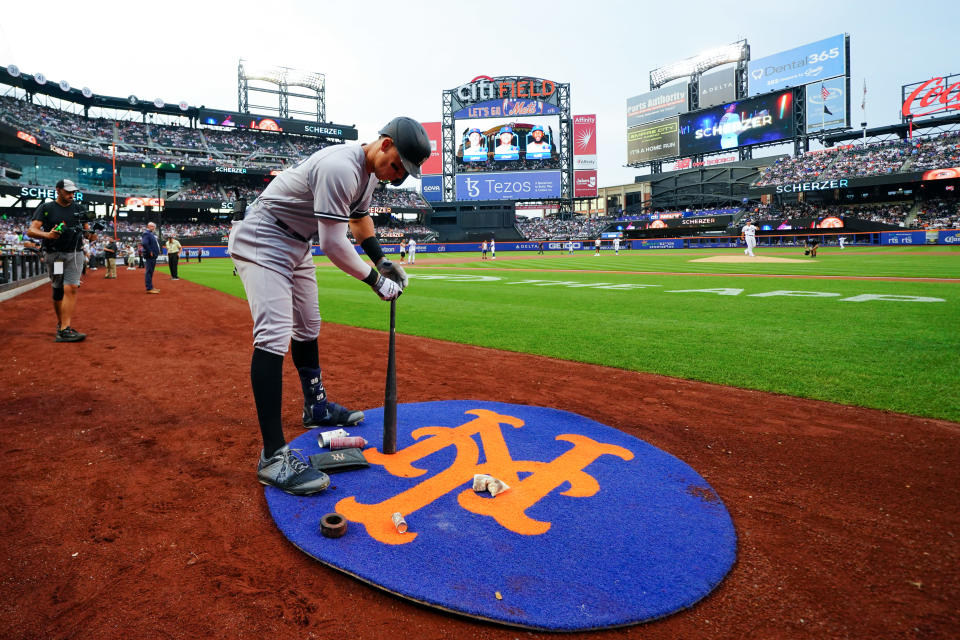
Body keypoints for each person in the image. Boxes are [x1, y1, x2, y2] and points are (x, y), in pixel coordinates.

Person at [228, 115, 429, 496]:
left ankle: (315, 408)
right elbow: (335, 245)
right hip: (264, 233)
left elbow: (359, 218)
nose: (397, 176)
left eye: (404, 173)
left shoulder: (368, 175)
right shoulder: (341, 166)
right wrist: (375, 281)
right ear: (385, 144)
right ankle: (273, 457)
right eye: (398, 166)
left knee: (308, 326)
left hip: (295, 241)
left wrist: (381, 260)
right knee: (273, 333)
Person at [26, 178, 97, 342]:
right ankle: (61, 324)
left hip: (75, 254)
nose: (71, 194)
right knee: (58, 289)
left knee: (71, 286)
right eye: (68, 192)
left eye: (73, 192)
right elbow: (31, 231)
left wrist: (93, 232)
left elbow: (89, 235)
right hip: (55, 255)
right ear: (58, 190)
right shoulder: (46, 208)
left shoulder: (80, 209)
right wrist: (48, 235)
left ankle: (65, 328)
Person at [142, 222, 161, 293]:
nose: (154, 228)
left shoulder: (150, 234)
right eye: (152, 226)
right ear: (149, 226)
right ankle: (149, 288)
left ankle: (151, 287)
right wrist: (150, 251)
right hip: (150, 255)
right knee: (149, 272)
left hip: (152, 256)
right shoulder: (146, 233)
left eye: (154, 227)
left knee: (150, 272)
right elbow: (144, 243)